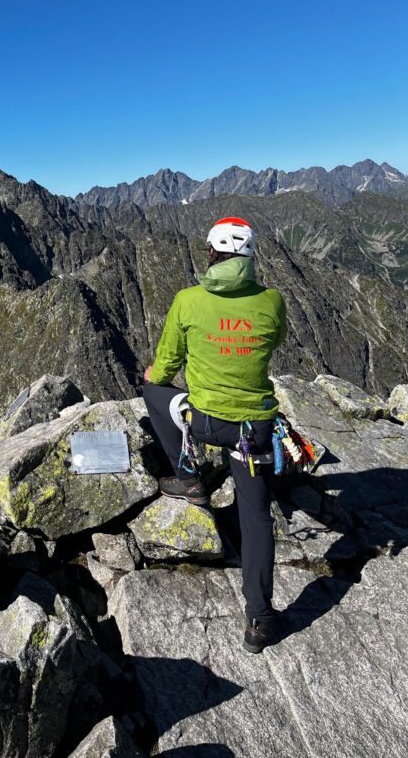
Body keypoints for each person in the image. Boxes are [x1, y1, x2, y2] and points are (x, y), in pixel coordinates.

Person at [142, 216, 287, 654]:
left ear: (210, 253)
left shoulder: (188, 301)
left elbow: (165, 366)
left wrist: (155, 375)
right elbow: (273, 341)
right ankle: (258, 621)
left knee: (154, 391)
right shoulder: (271, 301)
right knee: (257, 519)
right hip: (250, 434)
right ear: (249, 255)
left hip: (203, 424)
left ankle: (188, 477)